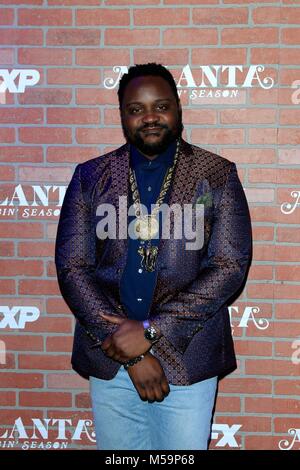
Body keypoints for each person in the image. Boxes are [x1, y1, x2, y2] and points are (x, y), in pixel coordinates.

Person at [55, 63, 252, 450]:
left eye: (161, 106)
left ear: (178, 108)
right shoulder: (91, 176)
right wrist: (126, 348)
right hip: (110, 359)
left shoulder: (216, 175)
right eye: (136, 109)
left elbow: (229, 266)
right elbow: (72, 267)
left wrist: (150, 332)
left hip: (188, 358)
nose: (149, 117)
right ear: (122, 115)